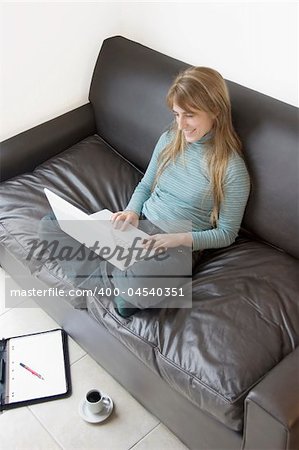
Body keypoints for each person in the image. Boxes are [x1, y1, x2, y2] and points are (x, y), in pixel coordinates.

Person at [39, 66, 250, 318]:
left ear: (215, 110)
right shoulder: (171, 138)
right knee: (50, 225)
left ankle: (103, 275)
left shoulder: (232, 169)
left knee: (134, 292)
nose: (181, 125)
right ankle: (115, 276)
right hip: (139, 229)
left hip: (177, 247)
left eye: (190, 115)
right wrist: (131, 212)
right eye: (176, 114)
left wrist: (180, 239)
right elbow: (146, 185)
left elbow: (226, 233)